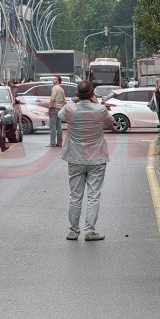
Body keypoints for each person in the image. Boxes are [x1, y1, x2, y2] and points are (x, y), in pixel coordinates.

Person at [60, 80, 115, 241]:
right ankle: (90, 231)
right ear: (92, 94)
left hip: (75, 158)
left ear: (77, 93)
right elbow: (111, 122)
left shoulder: (70, 109)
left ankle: (73, 231)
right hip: (97, 158)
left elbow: (60, 115)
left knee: (75, 196)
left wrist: (74, 101)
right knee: (93, 196)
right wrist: (96, 102)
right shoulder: (99, 109)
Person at [48, 75, 65, 147]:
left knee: (53, 126)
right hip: (59, 108)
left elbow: (52, 98)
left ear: (58, 81)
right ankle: (59, 142)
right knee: (59, 126)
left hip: (54, 107)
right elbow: (64, 99)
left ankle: (52, 143)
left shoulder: (55, 88)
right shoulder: (61, 89)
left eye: (55, 79)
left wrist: (50, 107)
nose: (53, 80)